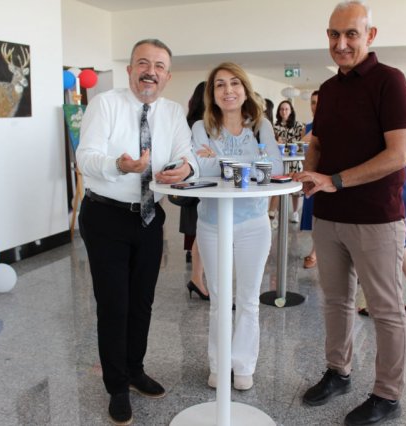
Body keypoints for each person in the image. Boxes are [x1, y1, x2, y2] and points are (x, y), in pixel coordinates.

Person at [293, 2, 406, 425]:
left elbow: (398, 155)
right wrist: (310, 172)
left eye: (351, 34)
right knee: (335, 300)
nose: (341, 43)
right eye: (333, 34)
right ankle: (338, 372)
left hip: (376, 217)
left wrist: (336, 180)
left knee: (385, 309)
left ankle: (388, 395)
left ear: (370, 35)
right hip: (329, 216)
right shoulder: (328, 89)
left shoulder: (390, 82)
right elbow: (319, 142)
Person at [76, 38, 198, 425]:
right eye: (143, 63)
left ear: (167, 76)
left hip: (149, 217)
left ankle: (134, 370)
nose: (151, 72)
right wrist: (119, 165)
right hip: (105, 215)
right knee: (114, 304)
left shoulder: (173, 112)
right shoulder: (105, 104)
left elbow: (187, 154)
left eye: (159, 66)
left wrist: (186, 168)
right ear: (129, 70)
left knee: (142, 301)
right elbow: (85, 158)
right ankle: (116, 386)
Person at [192, 62, 283, 391]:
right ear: (212, 93)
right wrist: (251, 165)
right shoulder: (201, 128)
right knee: (219, 300)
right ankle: (219, 364)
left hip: (253, 223)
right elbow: (199, 169)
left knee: (248, 299)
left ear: (245, 90)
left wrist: (219, 162)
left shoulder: (260, 126)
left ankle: (243, 364)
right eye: (219, 84)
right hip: (212, 223)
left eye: (234, 83)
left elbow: (275, 168)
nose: (227, 90)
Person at [358, 124, 406, 316]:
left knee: (382, 249)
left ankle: (380, 304)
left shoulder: (390, 132)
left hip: (388, 191)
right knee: (401, 245)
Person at [182, 81, 208, 300]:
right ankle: (198, 279)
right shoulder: (196, 125)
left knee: (204, 232)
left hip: (200, 186)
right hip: (200, 187)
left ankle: (198, 279)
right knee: (204, 232)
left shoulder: (196, 122)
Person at [270, 100, 305, 223]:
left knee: (295, 188)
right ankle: (275, 214)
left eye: (286, 109)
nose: (284, 111)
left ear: (291, 111)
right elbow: (272, 142)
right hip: (280, 160)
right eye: (282, 109)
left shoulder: (298, 125)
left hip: (294, 161)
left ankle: (295, 212)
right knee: (278, 186)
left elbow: (302, 141)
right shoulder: (275, 126)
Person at [300, 90, 319, 269]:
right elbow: (301, 146)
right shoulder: (308, 127)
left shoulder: (332, 124)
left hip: (325, 177)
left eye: (319, 102)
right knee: (313, 215)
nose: (315, 106)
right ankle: (317, 250)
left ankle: (315, 252)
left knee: (323, 216)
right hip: (310, 174)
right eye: (312, 102)